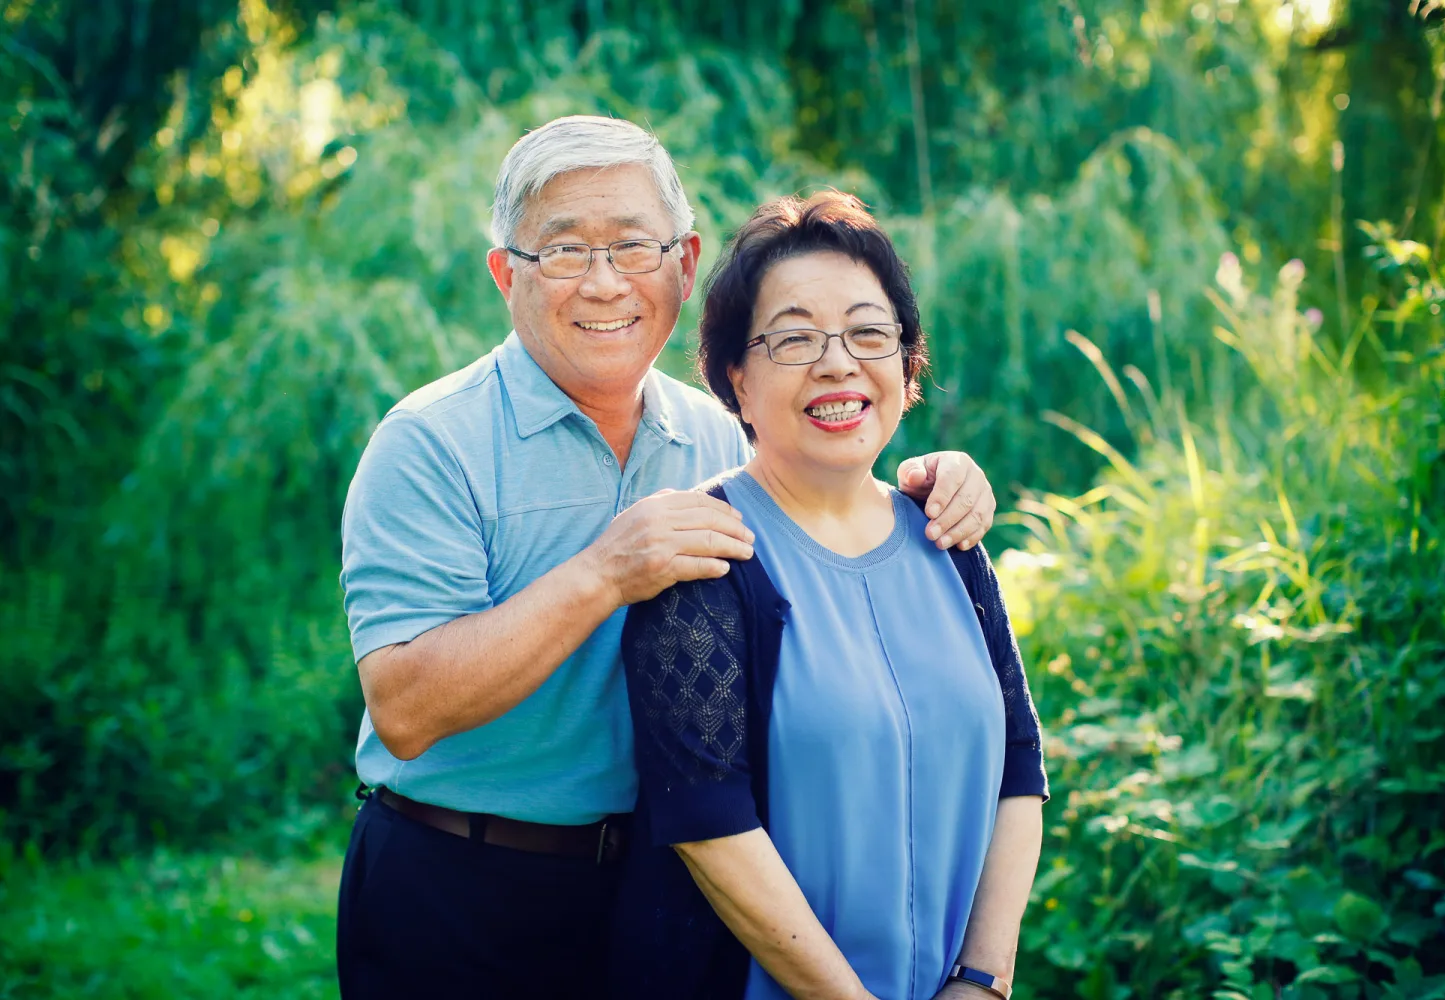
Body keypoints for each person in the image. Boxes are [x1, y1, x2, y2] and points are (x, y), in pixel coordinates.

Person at [335, 116, 1002, 997]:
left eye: (634, 247)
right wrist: (604, 572)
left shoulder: (722, 436)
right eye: (563, 252)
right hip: (460, 882)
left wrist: (943, 482)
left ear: (684, 266)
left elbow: (842, 507)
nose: (605, 282)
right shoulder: (430, 443)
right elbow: (405, 708)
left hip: (668, 889)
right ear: (506, 275)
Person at [611, 191, 1048, 1000]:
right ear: (736, 380)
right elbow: (709, 826)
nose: (838, 362)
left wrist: (982, 981)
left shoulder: (948, 539)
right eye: (795, 337)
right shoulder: (706, 555)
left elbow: (1019, 769)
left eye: (868, 332)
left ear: (906, 363)